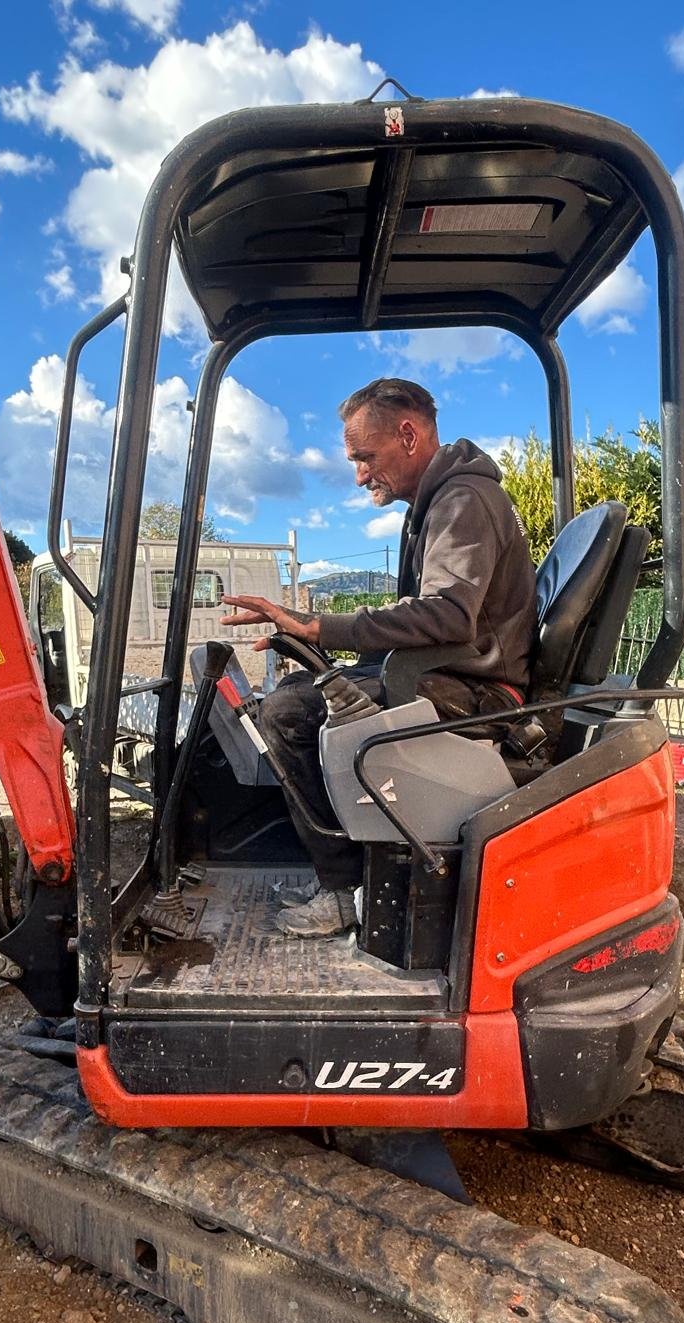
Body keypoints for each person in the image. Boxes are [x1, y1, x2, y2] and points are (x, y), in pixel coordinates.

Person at [223, 377, 537, 937]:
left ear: (409, 435)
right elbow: (424, 615)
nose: (360, 474)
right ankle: (341, 875)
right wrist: (311, 640)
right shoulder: (437, 502)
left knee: (289, 714)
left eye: (366, 456)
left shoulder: (463, 500)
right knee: (295, 694)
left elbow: (447, 614)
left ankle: (344, 889)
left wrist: (321, 625)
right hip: (449, 672)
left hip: (481, 691)